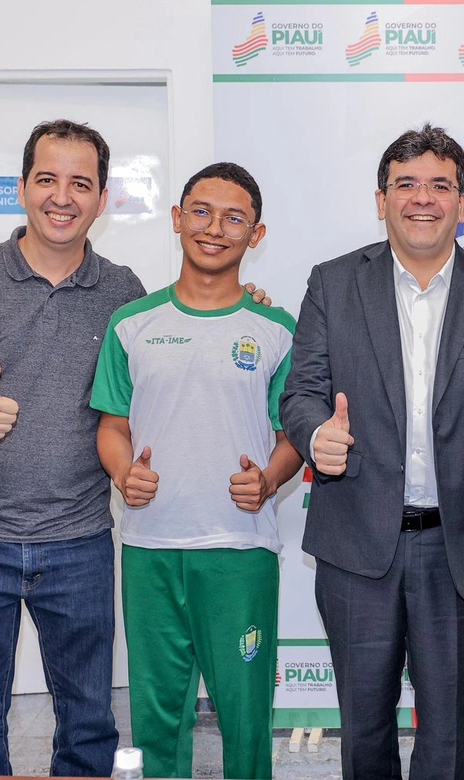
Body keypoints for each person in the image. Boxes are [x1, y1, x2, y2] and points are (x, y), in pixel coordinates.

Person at [0, 119, 270, 778]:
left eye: (81, 183)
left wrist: (249, 306)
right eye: (47, 179)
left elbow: (177, 339)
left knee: (89, 722)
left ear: (103, 200)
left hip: (78, 542)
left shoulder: (124, 295)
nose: (62, 197)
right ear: (22, 187)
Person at [279, 124, 464, 780]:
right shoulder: (333, 283)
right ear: (382, 199)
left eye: (439, 185)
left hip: (459, 546)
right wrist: (317, 436)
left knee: (448, 730)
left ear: (463, 201)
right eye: (406, 184)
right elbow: (301, 394)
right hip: (355, 546)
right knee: (364, 728)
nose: (421, 198)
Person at [91, 162, 302, 780]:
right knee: (156, 721)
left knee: (245, 720)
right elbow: (111, 426)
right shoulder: (132, 323)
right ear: (178, 220)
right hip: (151, 548)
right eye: (202, 212)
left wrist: (268, 479)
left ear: (255, 234)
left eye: (235, 217)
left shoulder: (276, 330)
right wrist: (124, 473)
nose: (216, 228)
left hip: (240, 551)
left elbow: (294, 437)